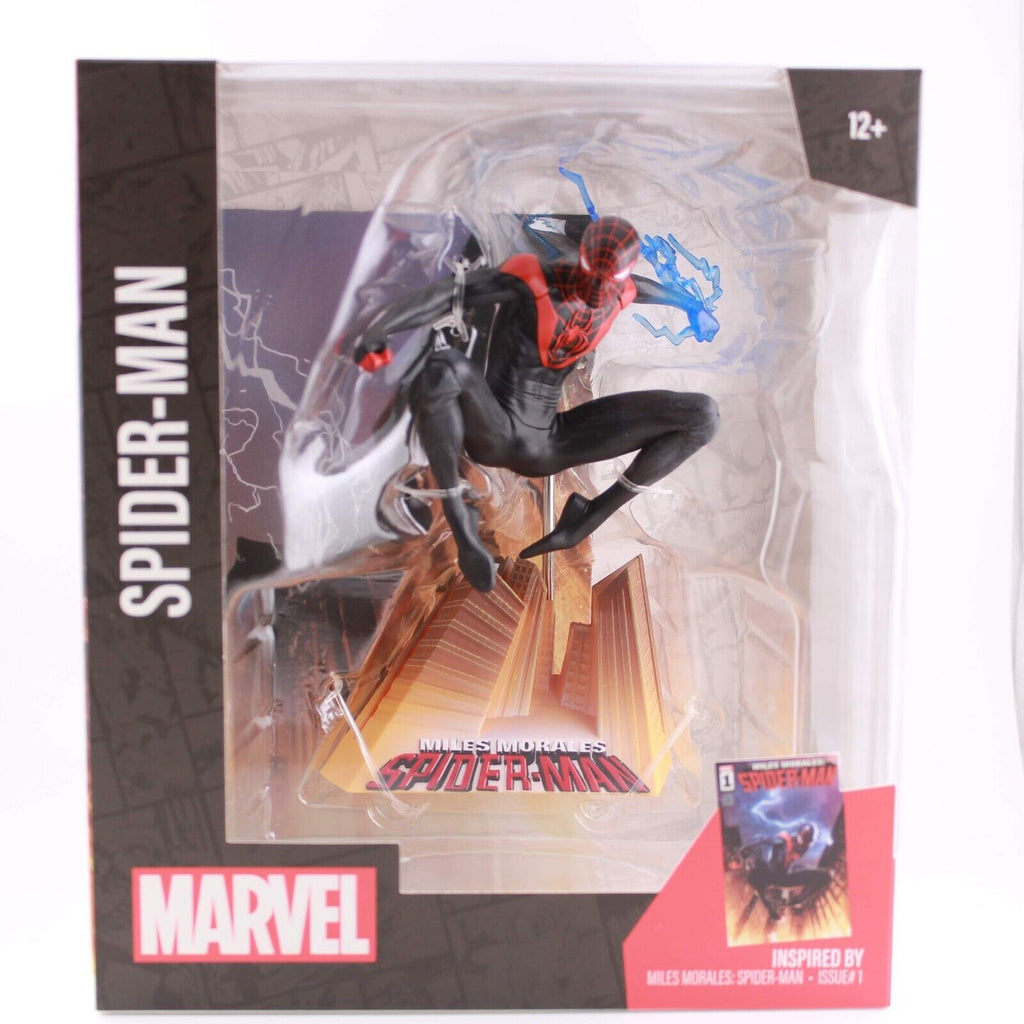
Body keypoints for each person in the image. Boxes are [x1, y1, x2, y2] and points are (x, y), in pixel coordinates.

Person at [352, 215, 719, 592]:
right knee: (444, 367)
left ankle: (589, 517)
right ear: (582, 262)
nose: (597, 291)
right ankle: (459, 517)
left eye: (608, 282)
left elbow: (643, 289)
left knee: (702, 417)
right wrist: (379, 330)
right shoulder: (534, 280)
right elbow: (451, 293)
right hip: (494, 433)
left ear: (619, 277)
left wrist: (691, 305)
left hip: (549, 445)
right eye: (592, 278)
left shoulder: (618, 293)